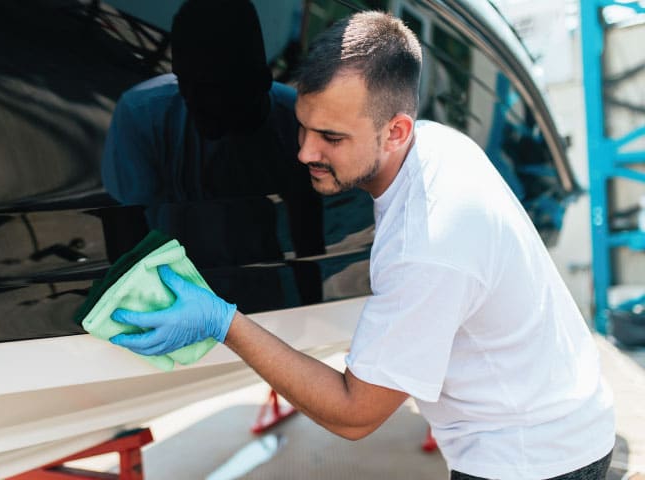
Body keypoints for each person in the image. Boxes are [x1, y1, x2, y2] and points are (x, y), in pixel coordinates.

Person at [109, 11, 615, 479]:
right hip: (563, 420)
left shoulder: (428, 241)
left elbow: (355, 415)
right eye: (302, 125)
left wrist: (224, 323)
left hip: (532, 461)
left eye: (331, 137)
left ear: (395, 131)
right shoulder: (436, 144)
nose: (305, 151)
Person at [100, 0, 324, 308]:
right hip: (171, 298)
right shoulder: (143, 114)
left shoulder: (296, 124)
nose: (191, 100)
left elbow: (308, 235)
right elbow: (126, 231)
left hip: (259, 299)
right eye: (183, 82)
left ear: (259, 81)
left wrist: (311, 311)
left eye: (209, 88)